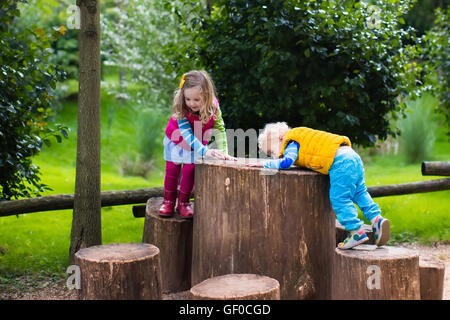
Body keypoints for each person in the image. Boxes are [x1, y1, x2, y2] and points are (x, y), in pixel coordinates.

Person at [252, 122, 390, 249]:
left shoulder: (291, 141)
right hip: (352, 156)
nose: (273, 156)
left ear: (281, 138)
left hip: (340, 161)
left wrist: (265, 164)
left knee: (339, 199)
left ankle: (355, 230)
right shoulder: (301, 137)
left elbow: (287, 162)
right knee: (359, 192)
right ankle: (376, 220)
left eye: (271, 152)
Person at [160, 70, 234, 218]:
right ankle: (168, 201)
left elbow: (219, 128)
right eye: (188, 99)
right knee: (172, 170)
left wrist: (224, 151)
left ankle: (184, 202)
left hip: (197, 143)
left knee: (190, 169)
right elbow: (186, 133)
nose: (191, 103)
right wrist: (205, 151)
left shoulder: (214, 108)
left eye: (196, 100)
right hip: (177, 139)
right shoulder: (181, 106)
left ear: (206, 96)